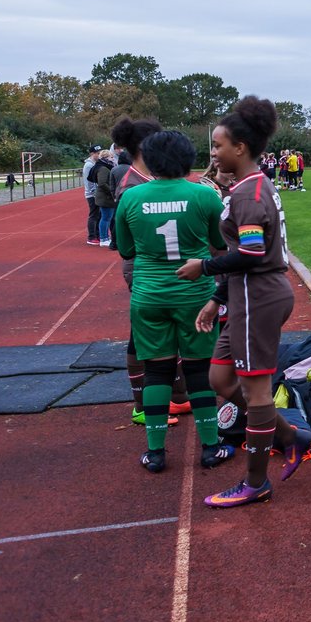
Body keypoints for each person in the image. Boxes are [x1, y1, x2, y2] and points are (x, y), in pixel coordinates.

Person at [177, 96, 306, 508]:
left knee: (256, 392)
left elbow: (250, 253)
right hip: (243, 295)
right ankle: (289, 437)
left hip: (259, 297)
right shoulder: (246, 187)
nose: (212, 153)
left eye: (218, 146)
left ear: (241, 148)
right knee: (220, 380)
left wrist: (206, 267)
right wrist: (217, 299)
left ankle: (255, 482)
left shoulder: (250, 193)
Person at [113, 130, 236, 475]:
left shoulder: (131, 198)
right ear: (187, 158)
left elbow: (126, 250)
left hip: (149, 293)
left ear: (149, 160)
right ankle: (211, 447)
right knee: (198, 369)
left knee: (157, 371)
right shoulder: (204, 195)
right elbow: (217, 243)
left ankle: (156, 453)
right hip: (195, 295)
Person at [112, 118, 190, 426]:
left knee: (172, 329)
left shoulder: (146, 179)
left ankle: (178, 397)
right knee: (144, 333)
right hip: (145, 268)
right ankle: (141, 404)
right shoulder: (131, 185)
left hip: (162, 266)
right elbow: (125, 242)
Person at [93, 149, 118, 245]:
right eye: (111, 157)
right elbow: (102, 183)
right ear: (105, 158)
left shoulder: (107, 167)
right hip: (105, 197)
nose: (113, 159)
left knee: (107, 217)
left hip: (106, 196)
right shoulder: (103, 168)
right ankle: (103, 239)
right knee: (105, 218)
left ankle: (105, 237)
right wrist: (112, 191)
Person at [83, 144, 102, 244]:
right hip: (92, 194)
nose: (99, 155)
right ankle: (91, 237)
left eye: (99, 153)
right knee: (94, 215)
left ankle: (98, 234)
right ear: (92, 154)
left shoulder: (96, 163)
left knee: (99, 215)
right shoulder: (89, 165)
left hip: (97, 193)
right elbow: (88, 181)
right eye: (97, 153)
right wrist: (94, 193)